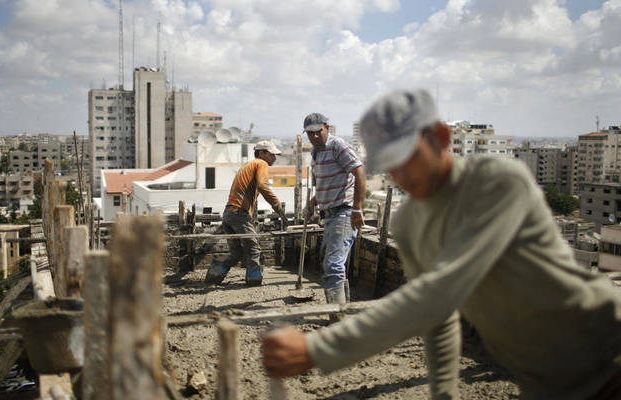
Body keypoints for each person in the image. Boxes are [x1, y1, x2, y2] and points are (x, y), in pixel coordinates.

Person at [262, 90, 621, 399]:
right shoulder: (410, 222)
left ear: (441, 137)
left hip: (604, 347)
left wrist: (319, 350)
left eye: (407, 157)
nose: (401, 175)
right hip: (543, 378)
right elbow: (439, 318)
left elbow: (439, 291)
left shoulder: (497, 183)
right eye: (389, 165)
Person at [303, 113, 366, 306]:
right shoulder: (316, 153)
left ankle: (337, 315)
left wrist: (357, 209)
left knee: (333, 265)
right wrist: (312, 204)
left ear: (326, 128)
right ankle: (343, 309)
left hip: (344, 212)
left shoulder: (338, 145)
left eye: (317, 132)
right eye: (309, 133)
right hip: (330, 215)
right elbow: (326, 185)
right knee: (331, 263)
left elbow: (360, 172)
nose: (314, 136)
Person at [205, 140, 287, 286]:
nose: (274, 158)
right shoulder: (260, 164)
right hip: (239, 214)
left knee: (236, 253)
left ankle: (213, 277)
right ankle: (254, 282)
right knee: (254, 250)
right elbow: (263, 185)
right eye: (272, 154)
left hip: (229, 213)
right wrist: (277, 205)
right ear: (262, 153)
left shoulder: (247, 165)